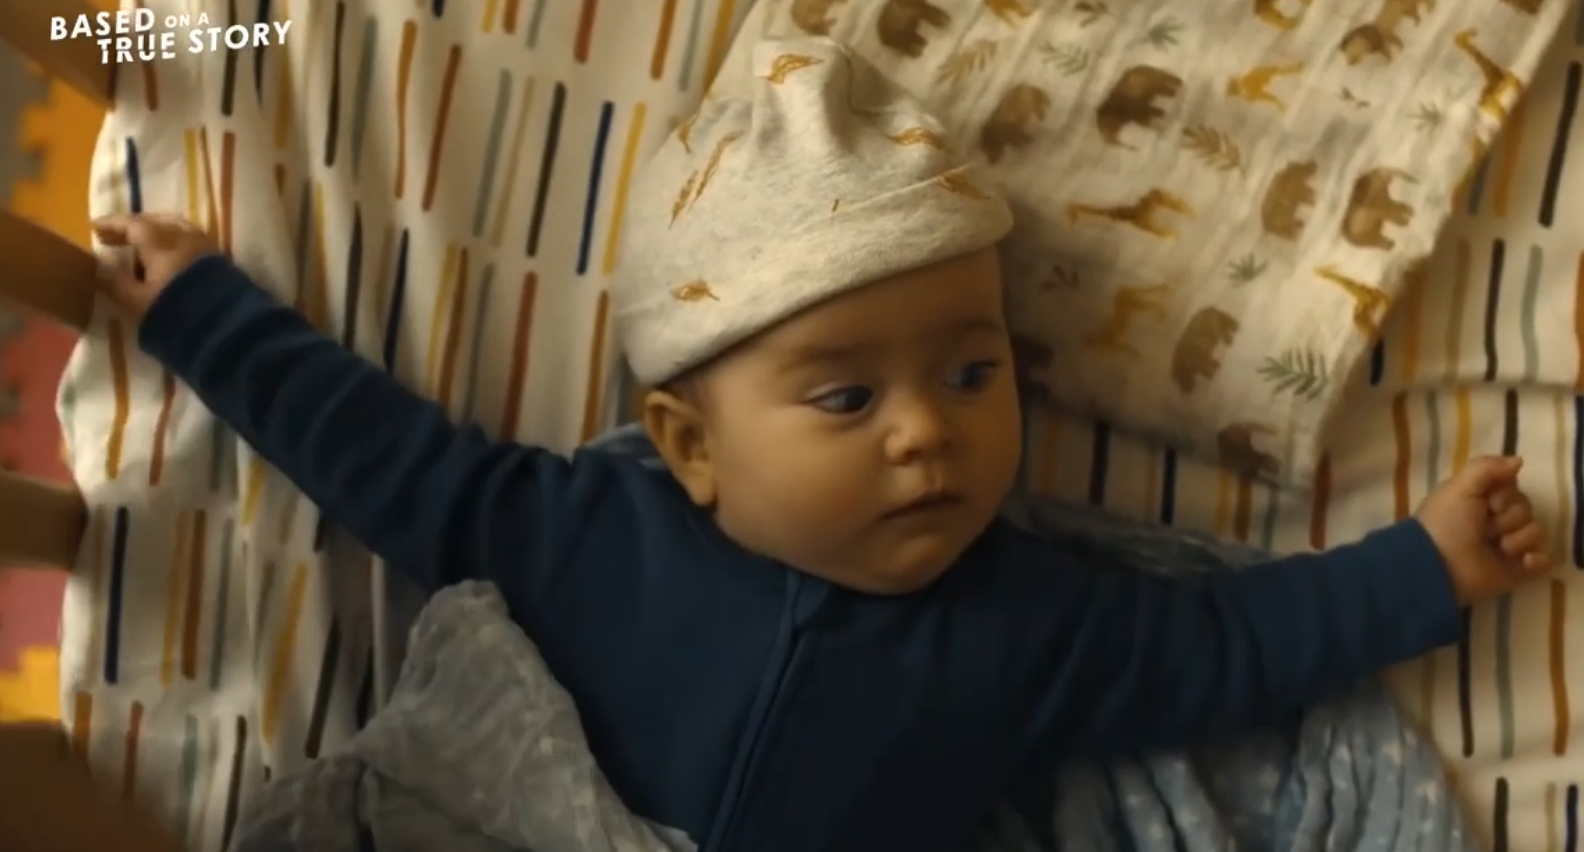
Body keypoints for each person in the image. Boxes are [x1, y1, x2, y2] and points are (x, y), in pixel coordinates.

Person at [84, 37, 1549, 852]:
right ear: (690, 445)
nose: (927, 433)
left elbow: (1228, 645)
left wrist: (1424, 566)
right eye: (846, 400)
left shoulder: (1028, 624)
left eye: (972, 372)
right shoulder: (583, 539)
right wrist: (205, 317)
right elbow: (385, 458)